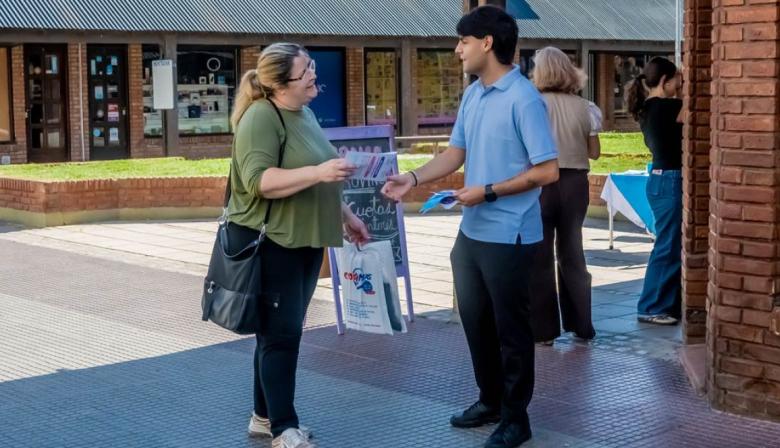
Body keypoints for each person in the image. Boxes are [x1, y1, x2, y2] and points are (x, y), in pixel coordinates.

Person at [383, 6, 559, 447]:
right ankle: (490, 400)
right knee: (475, 321)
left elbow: (548, 170)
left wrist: (490, 191)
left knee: (511, 332)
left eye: (464, 40)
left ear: (487, 43)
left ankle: (517, 419)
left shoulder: (524, 98)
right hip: (473, 233)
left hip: (512, 233)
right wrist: (414, 178)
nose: (457, 48)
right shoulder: (474, 95)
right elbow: (454, 153)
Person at [227, 42, 370, 448]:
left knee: (277, 333)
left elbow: (321, 175)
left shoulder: (302, 113)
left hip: (307, 240)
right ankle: (283, 428)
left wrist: (347, 217)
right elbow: (260, 181)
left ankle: (262, 417)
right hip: (275, 243)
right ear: (280, 82)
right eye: (306, 70)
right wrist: (318, 171)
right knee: (281, 335)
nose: (314, 75)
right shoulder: (261, 116)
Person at [529, 46, 601, 345]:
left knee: (539, 256)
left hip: (540, 183)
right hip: (575, 184)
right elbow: (595, 153)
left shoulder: (532, 105)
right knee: (572, 252)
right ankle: (582, 325)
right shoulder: (587, 107)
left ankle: (543, 331)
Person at [626, 56, 683, 325]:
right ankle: (651, 306)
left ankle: (664, 303)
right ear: (665, 81)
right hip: (669, 179)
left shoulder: (649, 107)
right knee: (667, 245)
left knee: (669, 243)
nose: (681, 85)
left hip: (660, 179)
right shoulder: (665, 108)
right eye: (678, 81)